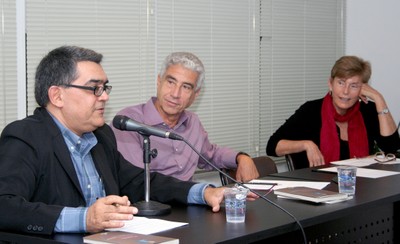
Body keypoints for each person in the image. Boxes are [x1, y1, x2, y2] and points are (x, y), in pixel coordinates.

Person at [0, 46, 256, 235]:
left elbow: (139, 181)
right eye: (94, 89)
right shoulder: (26, 136)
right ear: (57, 95)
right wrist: (84, 219)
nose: (104, 97)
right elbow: (5, 206)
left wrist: (204, 192)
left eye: (105, 88)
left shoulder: (100, 136)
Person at [111, 52, 259, 182]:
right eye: (170, 82)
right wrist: (198, 193)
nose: (175, 94)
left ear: (195, 94)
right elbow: (137, 180)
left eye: (186, 87)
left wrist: (242, 157)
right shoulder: (129, 122)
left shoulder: (193, 122)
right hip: (147, 207)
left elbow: (211, 155)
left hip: (187, 207)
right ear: (158, 81)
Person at [267, 55, 400, 169]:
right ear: (330, 84)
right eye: (341, 83)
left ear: (363, 89)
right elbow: (272, 146)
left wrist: (379, 98)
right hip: (317, 188)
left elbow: (392, 149)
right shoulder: (311, 111)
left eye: (353, 85)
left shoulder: (368, 110)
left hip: (360, 186)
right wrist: (306, 144)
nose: (346, 91)